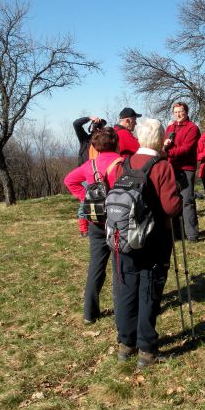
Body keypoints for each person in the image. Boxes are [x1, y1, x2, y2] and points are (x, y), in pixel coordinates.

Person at [113, 118, 183, 368]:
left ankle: (125, 344)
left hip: (124, 237)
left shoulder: (126, 162)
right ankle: (146, 350)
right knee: (148, 291)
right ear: (159, 137)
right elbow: (171, 207)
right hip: (154, 239)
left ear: (140, 138)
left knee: (126, 290)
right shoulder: (162, 166)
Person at [64, 127, 123, 324]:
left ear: (96, 146)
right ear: (115, 143)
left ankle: (90, 312)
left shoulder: (90, 165)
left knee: (96, 266)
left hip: (95, 221)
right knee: (118, 266)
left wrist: (85, 199)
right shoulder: (120, 163)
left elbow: (69, 180)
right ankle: (121, 310)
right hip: (115, 220)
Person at [163, 102, 201, 242]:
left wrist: (168, 152)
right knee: (174, 200)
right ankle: (177, 233)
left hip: (186, 168)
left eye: (181, 111)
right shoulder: (170, 127)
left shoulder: (193, 128)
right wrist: (165, 145)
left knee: (187, 201)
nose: (178, 114)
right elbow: (164, 144)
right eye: (175, 112)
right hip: (171, 167)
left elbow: (187, 148)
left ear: (186, 112)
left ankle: (192, 234)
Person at [73, 115, 107, 237]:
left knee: (101, 202)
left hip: (100, 175)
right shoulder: (85, 140)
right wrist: (89, 118)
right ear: (91, 127)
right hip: (86, 175)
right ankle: (84, 229)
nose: (97, 128)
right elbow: (76, 124)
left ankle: (97, 225)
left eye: (100, 126)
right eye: (96, 125)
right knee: (84, 202)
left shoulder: (104, 142)